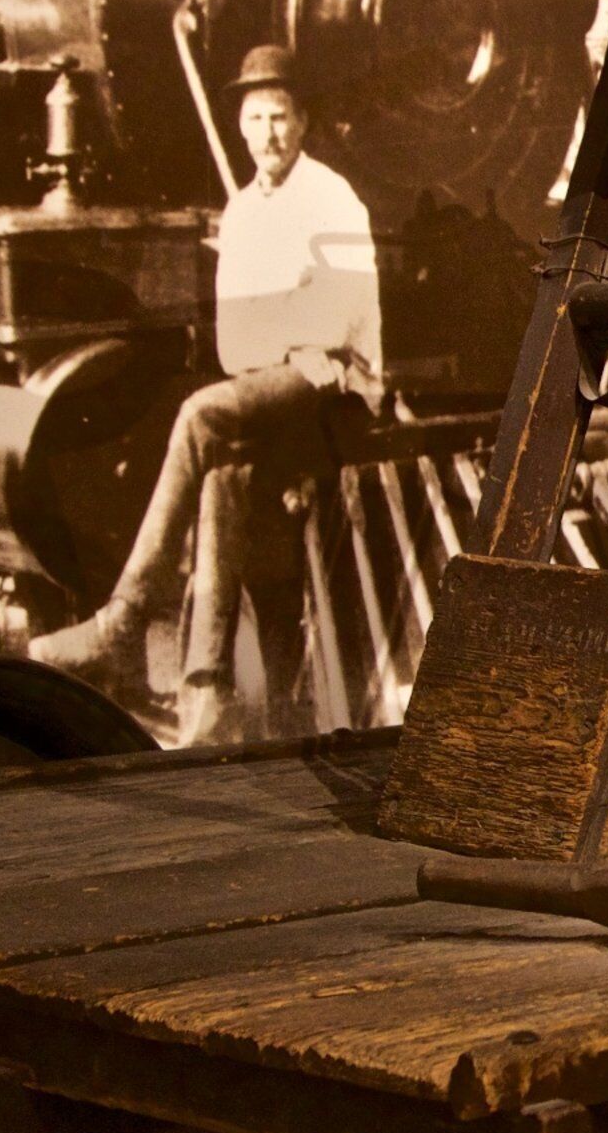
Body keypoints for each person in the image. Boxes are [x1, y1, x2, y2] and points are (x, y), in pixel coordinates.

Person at [30, 46, 379, 742]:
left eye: (281, 117)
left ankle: (123, 621)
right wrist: (290, 330)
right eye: (256, 119)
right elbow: (233, 343)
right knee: (223, 471)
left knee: (198, 413)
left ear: (303, 122)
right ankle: (206, 692)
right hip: (275, 384)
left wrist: (289, 331)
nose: (269, 134)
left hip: (338, 392)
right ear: (241, 127)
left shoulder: (332, 197)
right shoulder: (243, 213)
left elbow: (342, 320)